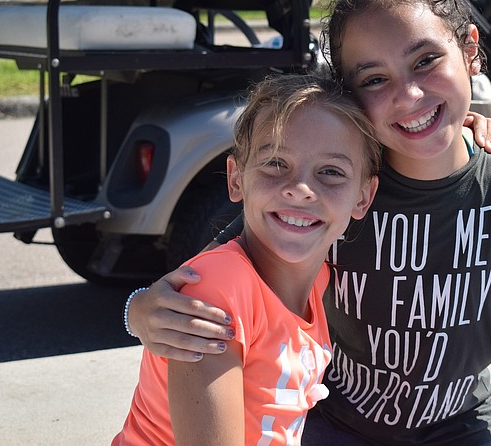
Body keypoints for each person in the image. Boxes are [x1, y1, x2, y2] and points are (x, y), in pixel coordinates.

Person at [127, 0, 491, 444]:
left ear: (470, 51)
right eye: (375, 79)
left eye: (426, 60)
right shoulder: (335, 188)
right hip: (335, 425)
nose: (410, 93)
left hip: (461, 427)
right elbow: (223, 275)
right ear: (351, 94)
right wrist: (139, 310)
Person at [113, 74, 381, 445]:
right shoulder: (220, 289)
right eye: (275, 163)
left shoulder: (320, 280)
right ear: (236, 178)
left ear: (363, 197)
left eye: (331, 172)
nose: (301, 188)